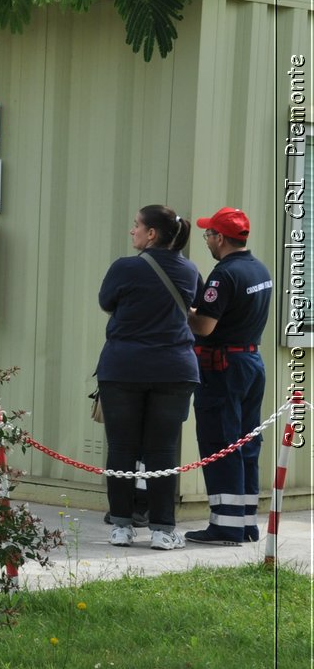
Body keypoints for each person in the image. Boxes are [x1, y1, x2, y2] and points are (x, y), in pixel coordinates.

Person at [96, 204, 200, 551]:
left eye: (136, 226)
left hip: (124, 367)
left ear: (151, 234)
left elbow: (106, 302)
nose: (132, 231)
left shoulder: (125, 268)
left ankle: (122, 527)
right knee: (162, 449)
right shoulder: (189, 270)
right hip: (174, 369)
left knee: (122, 447)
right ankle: (162, 530)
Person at [185, 207, 273, 545]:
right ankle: (246, 523)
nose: (206, 238)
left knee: (221, 444)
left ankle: (225, 526)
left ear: (220, 238)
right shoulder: (258, 269)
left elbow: (205, 325)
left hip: (223, 369)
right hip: (251, 363)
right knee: (247, 444)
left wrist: (184, 309)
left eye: (208, 234)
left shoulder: (224, 275)